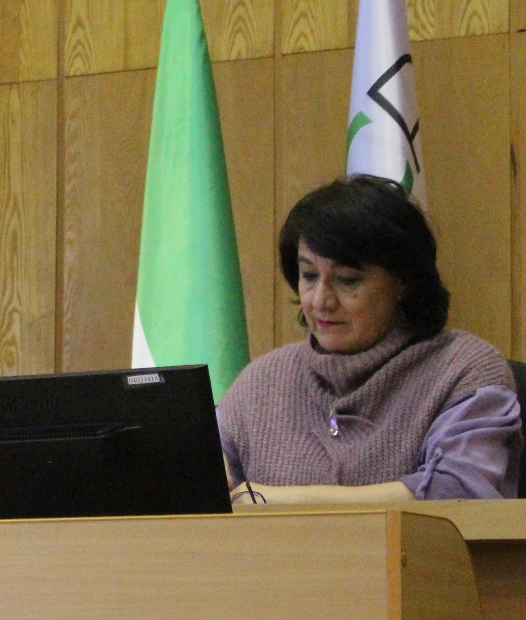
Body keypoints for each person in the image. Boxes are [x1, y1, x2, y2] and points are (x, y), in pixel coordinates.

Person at [219, 175, 520, 504]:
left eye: (347, 280)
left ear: (402, 281)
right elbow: (201, 484)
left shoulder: (465, 369)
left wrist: (271, 501)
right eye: (309, 276)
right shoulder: (260, 382)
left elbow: (459, 492)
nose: (320, 301)